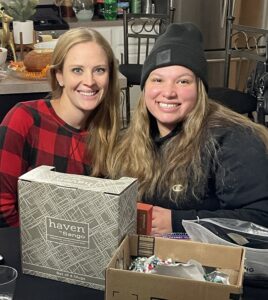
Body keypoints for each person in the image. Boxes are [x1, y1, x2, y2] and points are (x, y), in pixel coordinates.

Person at [109, 23, 268, 235]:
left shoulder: (234, 140)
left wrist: (179, 222)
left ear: (200, 89)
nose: (168, 92)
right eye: (158, 79)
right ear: (145, 87)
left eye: (183, 81)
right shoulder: (134, 137)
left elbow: (261, 219)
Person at [0, 27, 121, 227]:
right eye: (77, 70)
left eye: (99, 70)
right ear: (59, 76)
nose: (89, 81)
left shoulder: (108, 132)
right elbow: (2, 208)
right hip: (21, 247)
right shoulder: (25, 119)